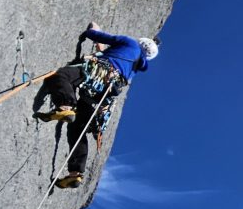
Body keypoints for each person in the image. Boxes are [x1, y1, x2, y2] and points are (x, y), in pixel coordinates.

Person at [35, 23, 160, 189]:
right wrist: (101, 49)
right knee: (77, 127)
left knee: (61, 76)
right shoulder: (136, 65)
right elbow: (113, 57)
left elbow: (98, 36)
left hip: (99, 72)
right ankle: (75, 173)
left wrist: (93, 30)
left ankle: (65, 107)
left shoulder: (130, 43)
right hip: (105, 92)